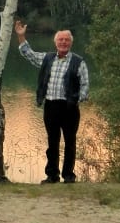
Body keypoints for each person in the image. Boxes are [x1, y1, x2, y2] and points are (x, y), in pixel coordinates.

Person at [14, 19, 89, 184]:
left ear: (70, 43)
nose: (63, 42)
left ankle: (69, 176)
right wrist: (21, 36)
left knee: (70, 142)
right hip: (50, 106)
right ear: (55, 42)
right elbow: (29, 54)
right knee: (52, 142)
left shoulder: (79, 62)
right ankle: (52, 175)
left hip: (69, 107)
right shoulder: (47, 58)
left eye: (66, 40)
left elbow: (85, 86)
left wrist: (77, 99)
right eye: (60, 40)